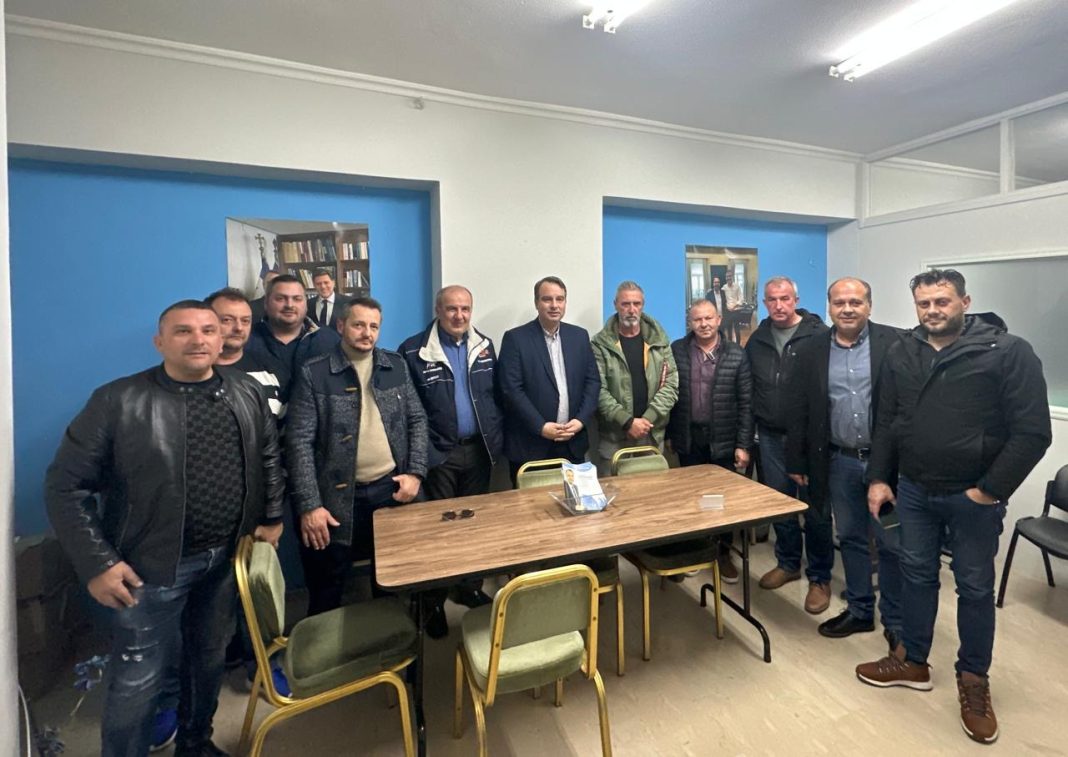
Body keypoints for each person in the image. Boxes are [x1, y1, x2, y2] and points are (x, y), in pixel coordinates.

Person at [44, 300, 284, 757]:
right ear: (160, 342)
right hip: (148, 567)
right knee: (138, 679)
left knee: (207, 660)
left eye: (208, 330)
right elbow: (64, 487)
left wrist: (271, 517)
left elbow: (268, 456)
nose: (199, 340)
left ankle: (196, 744)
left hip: (226, 557)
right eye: (183, 331)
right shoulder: (118, 401)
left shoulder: (245, 391)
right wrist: (98, 563)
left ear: (222, 338)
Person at [856, 269, 1051, 744]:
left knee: (975, 588)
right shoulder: (903, 351)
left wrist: (988, 490)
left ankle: (973, 680)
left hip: (973, 498)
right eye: (923, 303)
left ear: (965, 301)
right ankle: (913, 660)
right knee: (916, 574)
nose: (932, 311)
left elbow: (1032, 433)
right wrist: (880, 478)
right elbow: (889, 421)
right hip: (914, 492)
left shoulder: (1007, 352)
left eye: (942, 301)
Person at [286, 296, 429, 616]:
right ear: (341, 326)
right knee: (328, 584)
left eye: (374, 326)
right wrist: (310, 505)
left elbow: (417, 420)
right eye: (359, 325)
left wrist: (416, 473)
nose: (367, 333)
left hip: (391, 489)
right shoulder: (315, 372)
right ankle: (325, 644)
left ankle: (390, 639)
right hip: (334, 498)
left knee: (392, 579)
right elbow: (298, 442)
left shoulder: (395, 365)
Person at [786, 278, 904, 643]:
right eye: (839, 303)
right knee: (851, 537)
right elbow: (800, 409)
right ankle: (860, 610)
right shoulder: (812, 349)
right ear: (829, 307)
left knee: (892, 541)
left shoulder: (896, 343)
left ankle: (896, 622)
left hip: (888, 466)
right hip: (840, 463)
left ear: (869, 305)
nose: (847, 309)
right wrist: (798, 461)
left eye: (855, 302)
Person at [398, 285, 503, 633]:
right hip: (438, 453)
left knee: (473, 526)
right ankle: (433, 601)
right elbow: (406, 411)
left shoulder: (484, 345)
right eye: (452, 309)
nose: (459, 316)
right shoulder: (413, 350)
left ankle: (469, 586)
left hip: (479, 450)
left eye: (465, 309)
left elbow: (494, 395)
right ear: (438, 310)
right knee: (439, 532)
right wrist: (422, 456)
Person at [745, 276, 833, 614]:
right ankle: (788, 562)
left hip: (811, 439)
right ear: (764, 303)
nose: (779, 305)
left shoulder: (820, 336)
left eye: (785, 298)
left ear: (796, 299)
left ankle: (820, 577)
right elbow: (750, 389)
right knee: (780, 503)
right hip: (769, 436)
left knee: (815, 509)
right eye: (772, 299)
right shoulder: (758, 339)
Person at [666, 298, 752, 581]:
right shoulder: (677, 350)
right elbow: (670, 395)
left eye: (708, 318)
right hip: (689, 437)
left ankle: (723, 553)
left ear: (718, 320)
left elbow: (746, 403)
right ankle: (694, 549)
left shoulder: (736, 354)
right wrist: (671, 435)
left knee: (722, 499)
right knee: (691, 497)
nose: (703, 324)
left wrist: (743, 444)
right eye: (697, 319)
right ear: (690, 322)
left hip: (724, 438)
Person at [497, 276, 601, 482]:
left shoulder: (579, 336)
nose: (554, 305)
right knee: (531, 502)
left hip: (572, 443)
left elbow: (593, 382)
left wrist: (580, 420)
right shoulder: (515, 339)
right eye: (547, 299)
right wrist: (541, 427)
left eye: (559, 299)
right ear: (536, 303)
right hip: (531, 445)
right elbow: (511, 390)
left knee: (574, 501)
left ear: (565, 302)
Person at [590, 281, 678, 476]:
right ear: (615, 305)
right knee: (614, 492)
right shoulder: (600, 344)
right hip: (614, 437)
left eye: (636, 304)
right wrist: (627, 422)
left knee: (651, 492)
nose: (631, 310)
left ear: (642, 305)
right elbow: (598, 389)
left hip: (651, 433)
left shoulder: (660, 341)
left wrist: (647, 420)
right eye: (625, 304)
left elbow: (671, 385)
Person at [245, 273, 340, 406]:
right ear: (266, 303)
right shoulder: (247, 340)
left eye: (297, 299)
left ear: (306, 304)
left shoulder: (329, 340)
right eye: (280, 299)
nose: (289, 305)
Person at [206, 287, 282, 417]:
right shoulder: (188, 373)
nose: (239, 328)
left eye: (245, 321)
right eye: (227, 320)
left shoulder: (272, 371)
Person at [722, 271, 745, 343]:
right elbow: (721, 297)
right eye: (727, 276)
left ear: (732, 277)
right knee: (729, 330)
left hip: (736, 311)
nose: (728, 278)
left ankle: (738, 345)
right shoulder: (724, 287)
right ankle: (730, 345)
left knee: (737, 330)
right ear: (725, 278)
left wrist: (734, 306)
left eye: (729, 276)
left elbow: (741, 299)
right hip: (728, 312)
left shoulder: (737, 286)